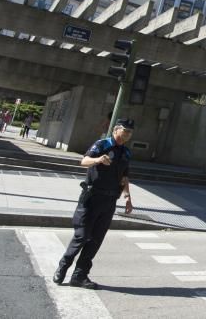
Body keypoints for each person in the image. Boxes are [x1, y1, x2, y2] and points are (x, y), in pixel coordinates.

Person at [53, 118, 136, 289]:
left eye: (130, 132)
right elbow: (84, 161)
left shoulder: (126, 153)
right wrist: (97, 160)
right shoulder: (102, 144)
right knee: (82, 236)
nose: (127, 135)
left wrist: (127, 197)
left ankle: (79, 276)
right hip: (92, 198)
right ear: (116, 130)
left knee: (96, 240)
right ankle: (63, 266)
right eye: (125, 131)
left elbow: (124, 177)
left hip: (109, 201)